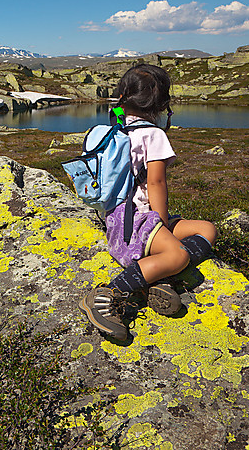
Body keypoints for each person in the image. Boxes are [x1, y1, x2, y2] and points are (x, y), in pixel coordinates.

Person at [79, 63, 217, 341]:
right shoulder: (154, 135)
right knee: (179, 253)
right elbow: (156, 183)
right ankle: (109, 295)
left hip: (117, 218)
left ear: (123, 98)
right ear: (162, 104)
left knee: (207, 228)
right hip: (139, 221)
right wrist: (162, 223)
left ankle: (158, 277)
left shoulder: (115, 129)